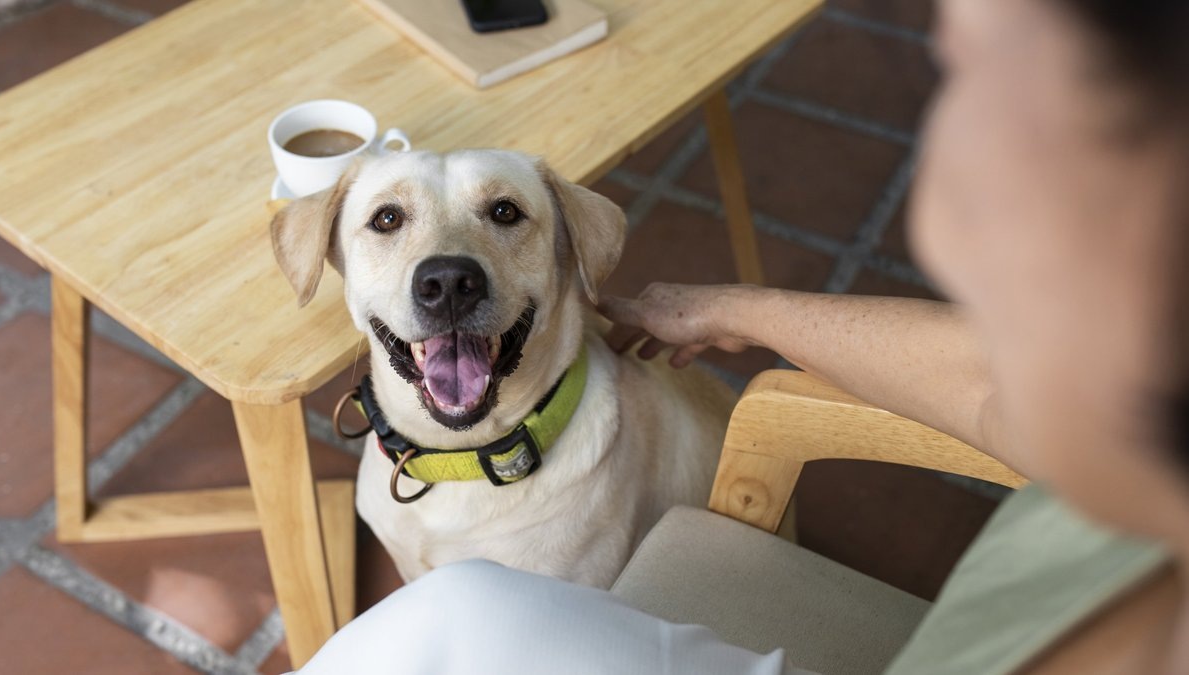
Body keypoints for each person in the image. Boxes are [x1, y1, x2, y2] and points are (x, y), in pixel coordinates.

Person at [297, 0, 1189, 672]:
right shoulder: (1109, 426)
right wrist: (740, 312)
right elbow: (989, 387)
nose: (447, 267)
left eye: (970, 63)